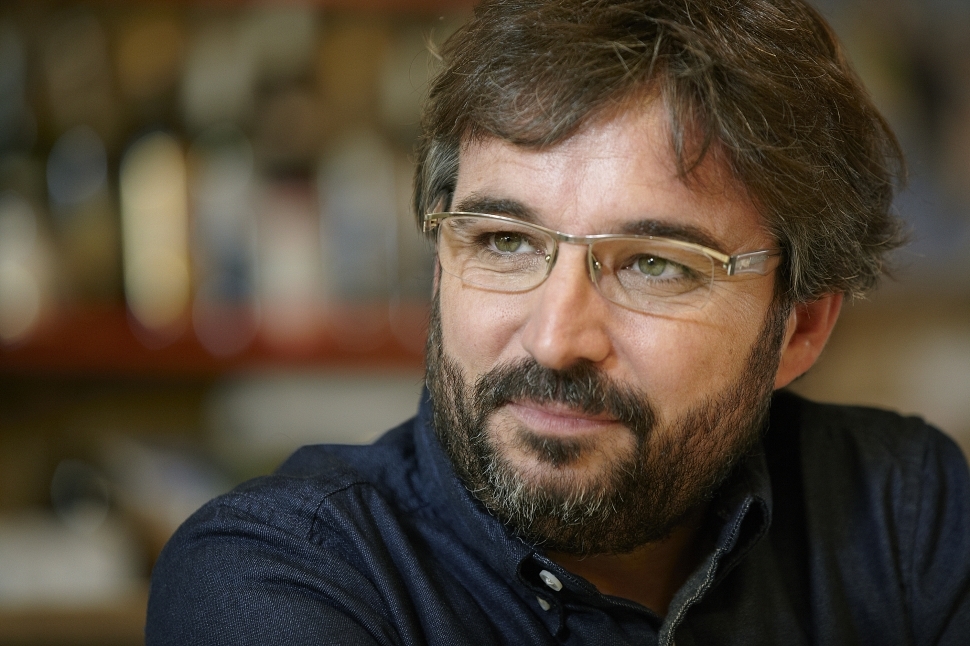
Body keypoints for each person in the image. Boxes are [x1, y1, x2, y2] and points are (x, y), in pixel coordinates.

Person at [146, 0, 970, 644]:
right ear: (441, 263)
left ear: (802, 326)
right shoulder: (285, 575)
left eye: (657, 264)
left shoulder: (901, 515)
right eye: (504, 242)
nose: (554, 340)